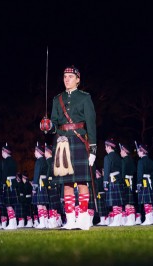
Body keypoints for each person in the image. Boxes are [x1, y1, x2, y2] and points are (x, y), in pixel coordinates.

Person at [42, 65, 97, 230]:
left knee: (81, 182)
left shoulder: (85, 98)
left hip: (79, 141)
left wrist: (93, 148)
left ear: (78, 80)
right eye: (65, 76)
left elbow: (91, 123)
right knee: (66, 183)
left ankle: (83, 217)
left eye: (71, 77)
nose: (67, 79)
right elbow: (54, 125)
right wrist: (48, 126)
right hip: (62, 142)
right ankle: (71, 219)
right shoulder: (56, 99)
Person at [103, 138, 124, 226]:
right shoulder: (118, 157)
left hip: (112, 180)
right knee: (118, 202)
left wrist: (105, 182)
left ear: (108, 147)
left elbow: (106, 171)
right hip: (118, 180)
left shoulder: (107, 157)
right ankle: (118, 220)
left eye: (105, 147)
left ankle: (116, 221)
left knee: (115, 202)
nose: (105, 149)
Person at [1, 143, 19, 230]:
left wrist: (3, 184)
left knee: (8, 204)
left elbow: (4, 174)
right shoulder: (13, 160)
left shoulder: (5, 161)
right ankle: (13, 223)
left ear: (5, 151)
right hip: (14, 182)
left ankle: (12, 222)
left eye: (2, 151)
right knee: (12, 204)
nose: (1, 153)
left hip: (8, 182)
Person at [136, 143, 153, 225]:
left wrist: (139, 183)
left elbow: (140, 173)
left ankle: (148, 219)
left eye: (139, 151)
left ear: (142, 152)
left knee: (146, 201)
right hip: (149, 181)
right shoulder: (151, 161)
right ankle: (150, 219)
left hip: (143, 181)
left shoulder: (140, 161)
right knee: (149, 202)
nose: (138, 153)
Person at [32, 143, 49, 228]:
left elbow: (36, 174)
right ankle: (45, 222)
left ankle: (42, 222)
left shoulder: (38, 161)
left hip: (39, 183)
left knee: (39, 204)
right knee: (44, 204)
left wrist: (34, 186)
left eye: (35, 151)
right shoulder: (45, 160)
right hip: (44, 182)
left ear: (38, 151)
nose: (34, 153)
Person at [120, 143, 137, 226]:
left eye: (121, 150)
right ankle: (132, 218)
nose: (120, 152)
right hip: (131, 181)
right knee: (131, 201)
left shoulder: (123, 161)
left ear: (124, 151)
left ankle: (129, 220)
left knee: (127, 201)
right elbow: (134, 171)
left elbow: (123, 174)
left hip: (126, 180)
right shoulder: (131, 160)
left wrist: (122, 182)